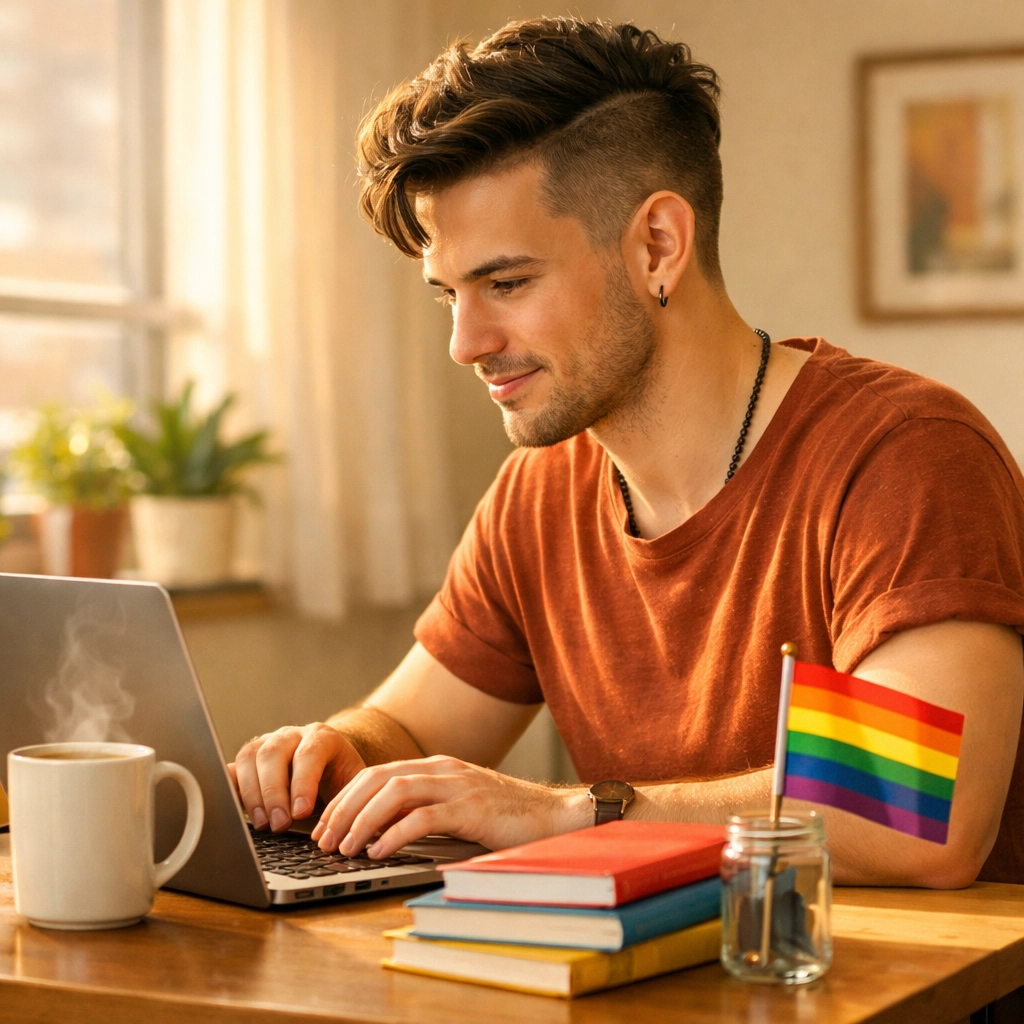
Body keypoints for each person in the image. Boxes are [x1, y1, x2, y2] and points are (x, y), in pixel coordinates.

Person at [229, 17, 1024, 887]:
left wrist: (569, 814)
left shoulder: (906, 454)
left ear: (658, 246)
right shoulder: (539, 491)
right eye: (448, 295)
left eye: (506, 283)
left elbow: (919, 818)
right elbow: (413, 731)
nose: (465, 342)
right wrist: (334, 753)